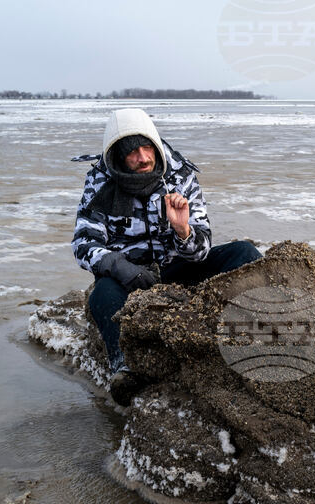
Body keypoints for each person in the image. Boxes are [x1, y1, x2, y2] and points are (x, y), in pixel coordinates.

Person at [71, 108, 261, 403]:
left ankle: (261, 327)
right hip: (127, 278)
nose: (143, 158)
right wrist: (123, 268)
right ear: (117, 156)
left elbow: (201, 250)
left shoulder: (180, 176)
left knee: (244, 252)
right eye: (131, 152)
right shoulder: (99, 182)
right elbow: (84, 244)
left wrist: (183, 230)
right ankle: (125, 367)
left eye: (147, 147)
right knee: (102, 293)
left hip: (178, 266)